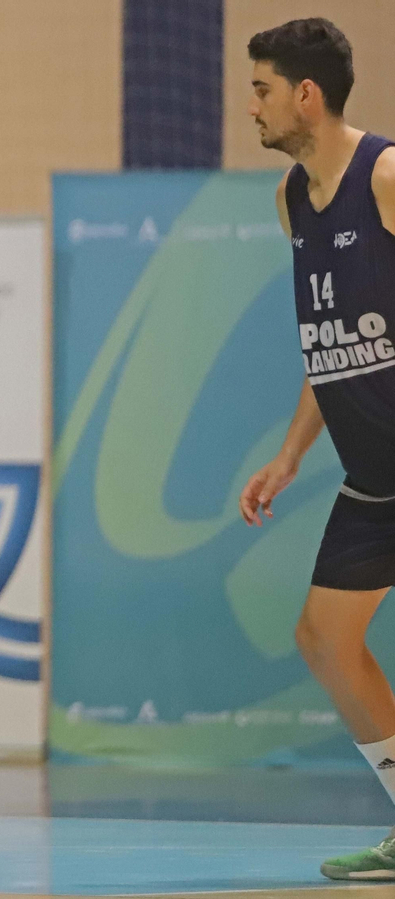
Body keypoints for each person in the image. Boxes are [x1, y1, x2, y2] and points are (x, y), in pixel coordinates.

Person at [239, 18, 395, 881]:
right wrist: (292, 452)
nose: (250, 107)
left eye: (260, 88)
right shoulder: (292, 199)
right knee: (325, 637)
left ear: (306, 94)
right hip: (374, 476)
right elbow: (330, 342)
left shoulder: (387, 173)